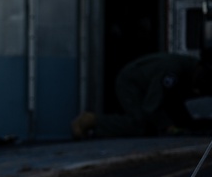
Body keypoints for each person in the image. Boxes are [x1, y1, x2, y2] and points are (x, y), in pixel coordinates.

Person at [71, 52, 203, 139]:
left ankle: (96, 127)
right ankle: (92, 121)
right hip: (130, 83)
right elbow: (151, 106)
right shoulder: (173, 70)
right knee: (138, 124)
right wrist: (168, 126)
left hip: (139, 83)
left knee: (143, 125)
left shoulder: (184, 67)